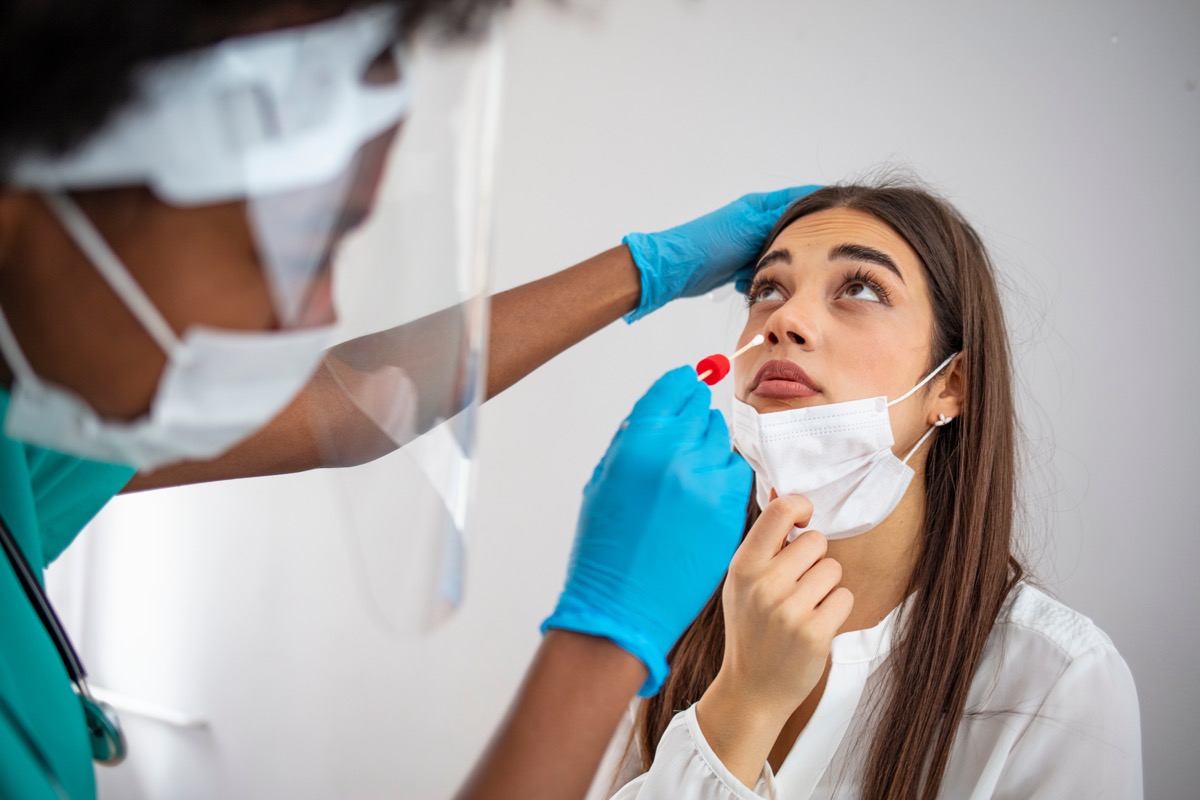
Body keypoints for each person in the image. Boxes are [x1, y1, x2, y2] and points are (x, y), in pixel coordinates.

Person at [0, 2, 807, 797]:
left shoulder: (21, 435)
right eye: (296, 248)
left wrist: (649, 269)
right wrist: (606, 640)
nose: (318, 314)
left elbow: (344, 406)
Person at [601, 183, 1143, 799]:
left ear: (952, 385)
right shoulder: (674, 633)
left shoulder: (1058, 684)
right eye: (768, 290)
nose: (784, 321)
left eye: (860, 288)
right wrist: (740, 703)